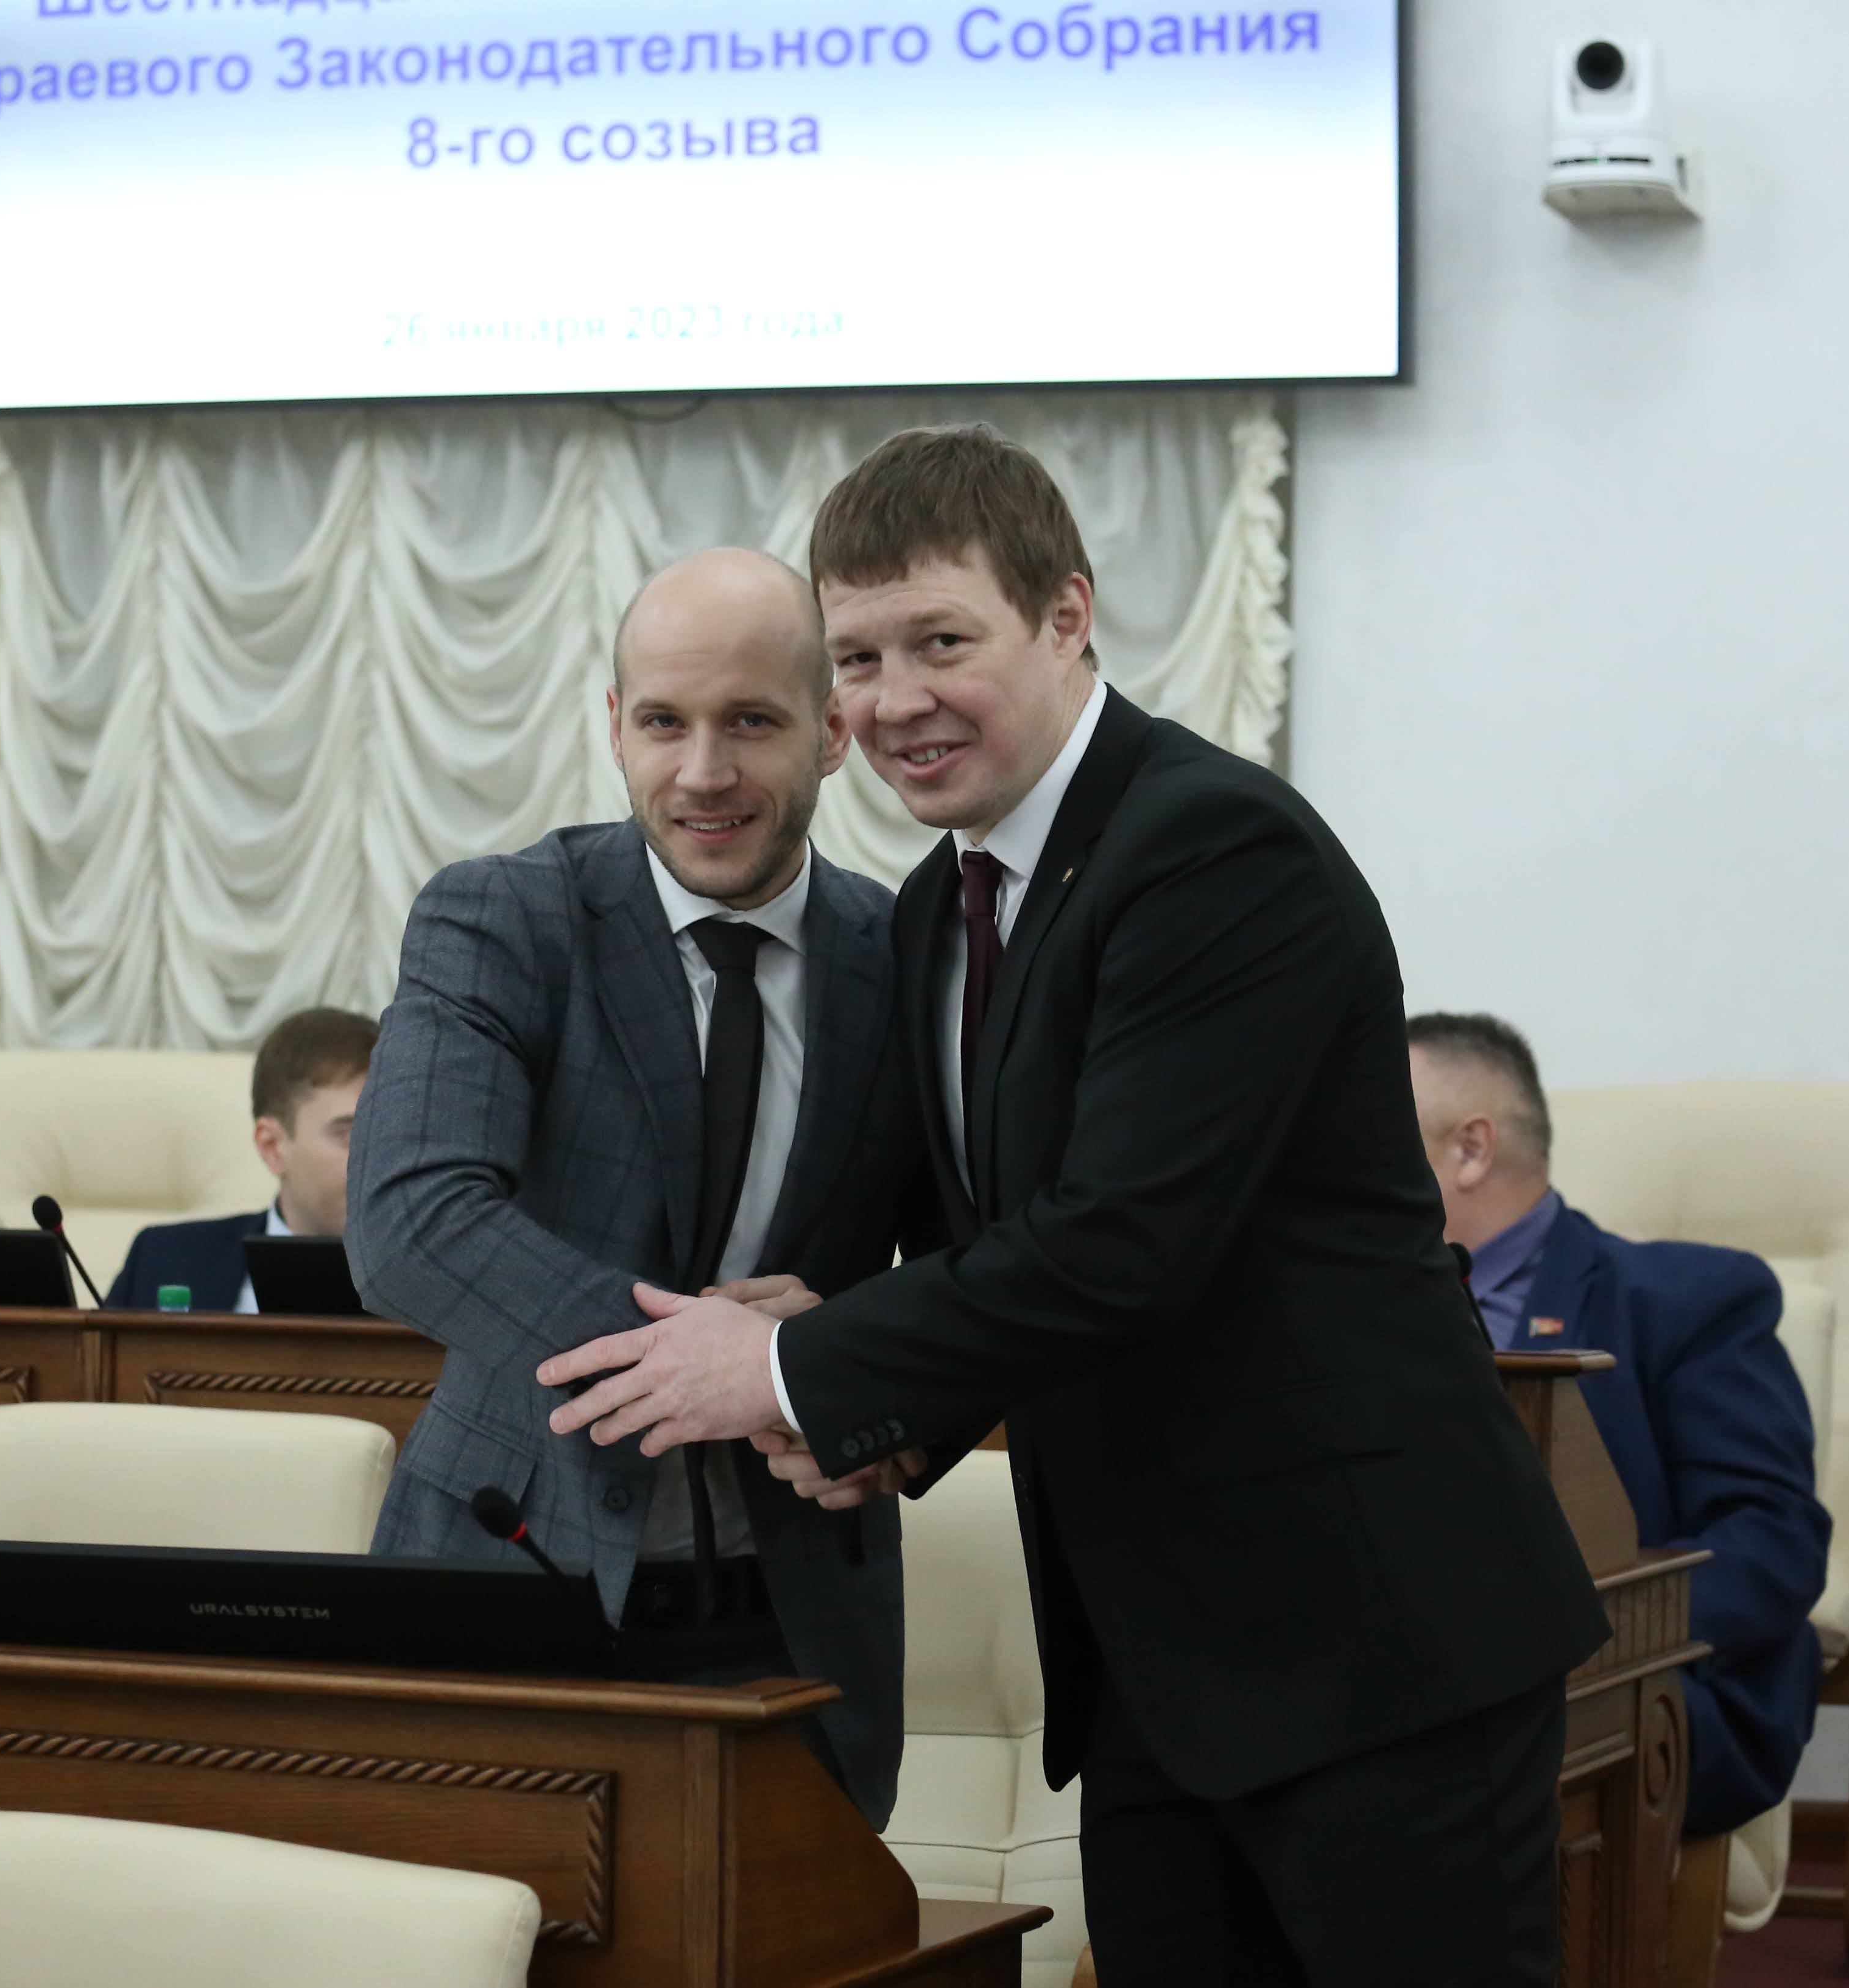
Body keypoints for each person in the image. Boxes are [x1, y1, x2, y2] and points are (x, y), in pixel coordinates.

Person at [540, 428, 1611, 1984]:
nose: (894, 699)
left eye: (940, 641)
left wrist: (777, 1367)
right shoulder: (937, 906)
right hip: (1152, 1668)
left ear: (1065, 617)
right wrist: (879, 1402)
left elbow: (1120, 1245)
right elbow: (985, 1249)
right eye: (858, 658)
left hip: (1371, 1642)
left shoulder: (1210, 846)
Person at [343, 547, 931, 1825]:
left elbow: (965, 1257)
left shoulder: (906, 953)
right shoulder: (502, 919)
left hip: (798, 1625)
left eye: (751, 722)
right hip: (509, 1581)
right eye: (664, 722)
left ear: (832, 731)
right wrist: (729, 1365)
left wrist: (844, 1372)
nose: (702, 772)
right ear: (615, 727)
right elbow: (409, 1224)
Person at [1408, 1011, 1830, 1839]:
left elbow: (1771, 1540)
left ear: (1470, 1149)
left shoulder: (1686, 1299)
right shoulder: (1342, 1316)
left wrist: (1565, 1641)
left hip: (1630, 1682)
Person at [105, 1006, 378, 1313]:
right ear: (272, 1147)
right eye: (349, 1133)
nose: (384, 1158)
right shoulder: (162, 1259)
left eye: (395, 1135)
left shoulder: (423, 1278)